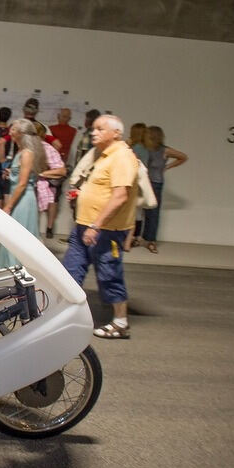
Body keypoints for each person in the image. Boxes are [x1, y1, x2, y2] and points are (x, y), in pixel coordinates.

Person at [62, 114, 139, 339]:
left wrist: (96, 226)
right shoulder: (102, 155)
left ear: (116, 133)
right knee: (70, 272)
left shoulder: (122, 157)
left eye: (99, 129)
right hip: (83, 226)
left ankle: (120, 323)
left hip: (105, 230)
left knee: (109, 274)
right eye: (93, 129)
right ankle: (64, 317)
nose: (94, 132)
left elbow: (120, 196)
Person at [0, 120, 46, 269]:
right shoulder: (21, 152)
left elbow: (22, 184)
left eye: (13, 130)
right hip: (19, 198)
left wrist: (8, 206)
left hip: (24, 200)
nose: (10, 132)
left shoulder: (27, 153)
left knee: (16, 238)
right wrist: (11, 172)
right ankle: (10, 271)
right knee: (12, 237)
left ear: (21, 133)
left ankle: (16, 273)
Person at [140, 125, 188, 254]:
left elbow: (183, 157)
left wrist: (167, 167)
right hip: (144, 182)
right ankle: (142, 237)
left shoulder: (164, 150)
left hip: (156, 183)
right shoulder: (145, 148)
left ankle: (151, 241)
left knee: (154, 212)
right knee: (143, 210)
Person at [47, 108, 77, 238]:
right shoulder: (73, 131)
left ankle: (39, 226)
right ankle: (50, 227)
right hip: (61, 167)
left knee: (41, 196)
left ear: (58, 116)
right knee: (54, 198)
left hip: (48, 166)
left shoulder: (51, 129)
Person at [125, 122, 149, 250]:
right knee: (139, 212)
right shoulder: (146, 148)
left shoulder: (135, 148)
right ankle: (136, 237)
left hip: (133, 181)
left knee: (130, 211)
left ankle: (129, 239)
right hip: (142, 181)